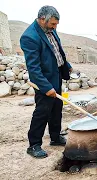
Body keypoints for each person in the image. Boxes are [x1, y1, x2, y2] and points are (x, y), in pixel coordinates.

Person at [20, 6, 72, 158]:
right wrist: (46, 87)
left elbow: (56, 50)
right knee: (42, 112)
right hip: (42, 81)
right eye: (53, 24)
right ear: (43, 19)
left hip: (55, 76)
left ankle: (55, 137)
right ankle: (34, 145)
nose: (55, 27)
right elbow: (33, 69)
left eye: (56, 24)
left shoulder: (50, 30)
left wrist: (65, 65)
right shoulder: (30, 37)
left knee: (57, 108)